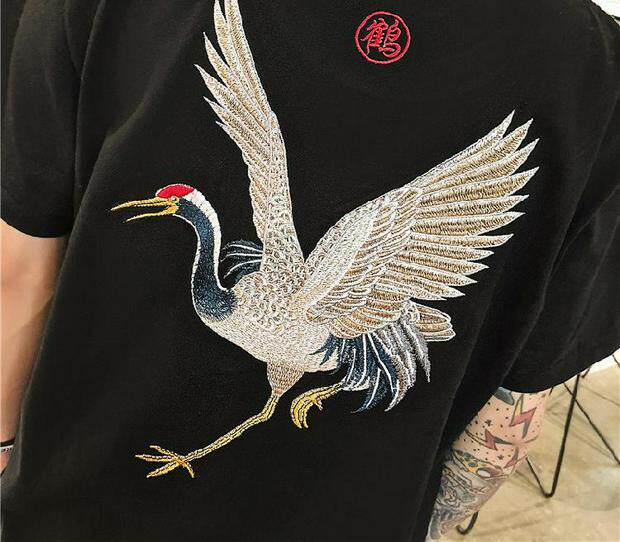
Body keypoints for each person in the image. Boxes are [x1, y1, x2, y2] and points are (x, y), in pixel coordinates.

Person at [2, 1, 618, 540]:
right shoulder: (598, 70)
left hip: (75, 513)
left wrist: (3, 448)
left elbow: (21, 274)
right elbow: (516, 401)